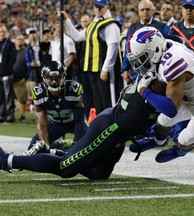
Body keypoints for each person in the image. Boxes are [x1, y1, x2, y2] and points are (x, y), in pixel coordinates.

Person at [0, 73, 163, 179]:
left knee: (99, 175)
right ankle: (7, 160)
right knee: (65, 168)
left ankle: (51, 151)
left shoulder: (167, 81)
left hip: (118, 135)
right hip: (109, 129)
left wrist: (157, 139)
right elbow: (170, 109)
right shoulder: (159, 84)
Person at [127, 27, 194, 163]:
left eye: (142, 58)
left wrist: (145, 91)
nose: (140, 64)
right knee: (161, 122)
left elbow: (171, 109)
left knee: (184, 139)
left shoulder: (174, 63)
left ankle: (180, 150)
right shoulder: (171, 44)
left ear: (156, 50)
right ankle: (158, 141)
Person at [59, 0, 121, 115]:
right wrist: (67, 20)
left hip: (102, 70)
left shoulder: (111, 24)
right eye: (96, 6)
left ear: (107, 7)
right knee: (98, 102)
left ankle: (112, 126)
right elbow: (77, 36)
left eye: (100, 7)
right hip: (92, 70)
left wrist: (105, 68)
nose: (97, 9)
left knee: (108, 101)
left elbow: (113, 46)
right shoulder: (93, 24)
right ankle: (101, 126)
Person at [26, 61, 87, 154]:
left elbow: (79, 120)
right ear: (44, 79)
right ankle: (59, 145)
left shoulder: (73, 89)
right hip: (56, 123)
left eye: (57, 78)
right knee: (35, 148)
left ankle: (70, 147)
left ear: (63, 78)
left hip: (74, 123)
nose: (54, 82)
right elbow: (41, 123)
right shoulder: (39, 92)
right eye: (50, 79)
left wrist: (76, 143)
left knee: (87, 149)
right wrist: (45, 146)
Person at [120, 0, 171, 85]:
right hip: (137, 72)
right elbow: (128, 50)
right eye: (142, 10)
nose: (145, 12)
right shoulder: (132, 27)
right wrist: (124, 69)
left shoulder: (162, 27)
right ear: (138, 11)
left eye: (147, 9)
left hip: (157, 72)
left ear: (153, 11)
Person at [0, 24, 17, 123]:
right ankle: (1, 115)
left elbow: (12, 59)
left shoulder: (10, 44)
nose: (2, 34)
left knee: (9, 95)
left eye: (3, 32)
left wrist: (6, 70)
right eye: (0, 32)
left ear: (6, 33)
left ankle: (10, 115)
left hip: (7, 74)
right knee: (0, 96)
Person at [12, 34, 29, 122]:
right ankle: (10, 115)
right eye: (18, 39)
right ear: (15, 40)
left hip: (21, 79)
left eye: (22, 39)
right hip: (10, 78)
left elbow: (28, 65)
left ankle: (22, 115)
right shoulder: (12, 51)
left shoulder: (26, 51)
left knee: (22, 99)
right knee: (10, 98)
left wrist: (26, 77)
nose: (20, 41)